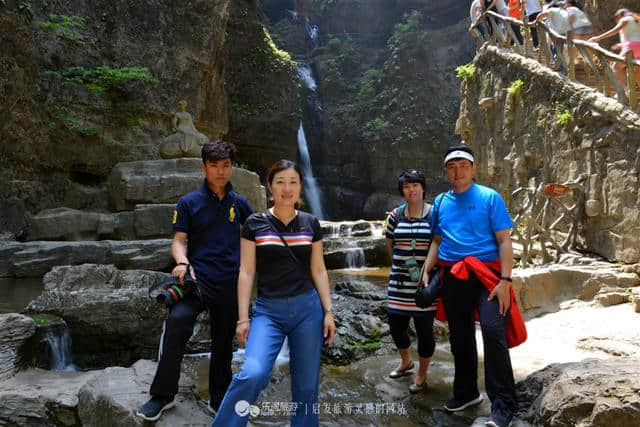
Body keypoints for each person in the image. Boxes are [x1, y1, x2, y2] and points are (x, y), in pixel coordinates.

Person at [212, 159, 336, 427]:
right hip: (269, 311)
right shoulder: (254, 224)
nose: (286, 188)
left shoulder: (310, 224)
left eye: (293, 182)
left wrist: (328, 311)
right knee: (253, 373)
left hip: (308, 310)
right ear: (270, 187)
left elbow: (319, 270)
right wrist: (243, 319)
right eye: (280, 182)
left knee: (305, 387)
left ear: (301, 186)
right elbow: (246, 272)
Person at [136, 141, 253, 421]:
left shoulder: (241, 204)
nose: (220, 171)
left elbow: (258, 238)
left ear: (231, 167)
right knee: (176, 323)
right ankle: (162, 396)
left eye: (225, 165)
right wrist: (182, 262)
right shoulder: (188, 203)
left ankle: (219, 399)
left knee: (223, 344)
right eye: (214, 165)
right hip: (196, 281)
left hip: (229, 283)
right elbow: (178, 242)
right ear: (204, 167)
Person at [421, 145, 521, 427]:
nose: (458, 170)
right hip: (454, 275)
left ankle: (504, 404)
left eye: (463, 165)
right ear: (445, 172)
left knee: (492, 331)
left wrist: (505, 280)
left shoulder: (490, 197)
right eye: (452, 166)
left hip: (487, 275)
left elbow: (504, 240)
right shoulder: (441, 202)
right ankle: (466, 393)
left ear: (473, 168)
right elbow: (437, 242)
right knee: (460, 336)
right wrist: (426, 271)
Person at [385, 170, 436, 393]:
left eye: (415, 185)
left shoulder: (434, 214)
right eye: (407, 186)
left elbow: (439, 244)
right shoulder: (395, 216)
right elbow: (390, 245)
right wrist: (399, 266)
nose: (411, 189)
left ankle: (422, 374)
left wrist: (426, 271)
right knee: (396, 327)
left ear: (423, 188)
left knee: (424, 330)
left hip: (424, 284)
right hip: (398, 284)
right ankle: (406, 361)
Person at [589, 8, 640, 90]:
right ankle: (631, 93)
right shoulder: (636, 20)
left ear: (620, 15)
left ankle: (626, 91)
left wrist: (597, 38)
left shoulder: (624, 19)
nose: (616, 20)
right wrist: (620, 45)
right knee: (638, 71)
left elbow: (615, 31)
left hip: (631, 47)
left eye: (616, 17)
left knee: (616, 67)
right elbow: (635, 37)